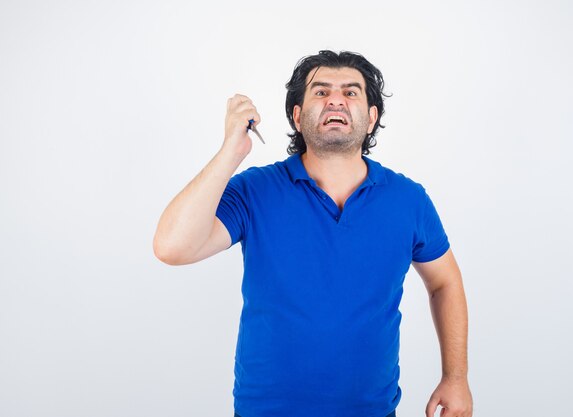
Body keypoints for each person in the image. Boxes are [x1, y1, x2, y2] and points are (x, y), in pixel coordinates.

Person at [153, 50, 473, 417]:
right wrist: (231, 151)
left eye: (351, 92)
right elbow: (171, 247)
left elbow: (445, 282)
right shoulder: (255, 191)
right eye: (320, 92)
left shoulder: (409, 200)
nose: (335, 99)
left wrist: (456, 378)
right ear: (297, 116)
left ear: (371, 119)